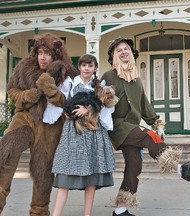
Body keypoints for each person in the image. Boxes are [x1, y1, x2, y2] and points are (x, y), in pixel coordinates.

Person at [0, 33, 75, 216]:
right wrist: (28, 95)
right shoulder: (24, 67)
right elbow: (12, 90)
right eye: (40, 52)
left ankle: (39, 211)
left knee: (43, 169)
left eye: (47, 53)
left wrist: (49, 88)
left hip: (50, 126)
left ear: (56, 54)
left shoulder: (67, 72)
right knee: (7, 150)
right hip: (25, 117)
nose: (43, 57)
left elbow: (68, 102)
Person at [101, 37, 190, 216]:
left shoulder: (136, 80)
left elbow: (144, 104)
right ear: (114, 55)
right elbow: (99, 100)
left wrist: (155, 122)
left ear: (131, 53)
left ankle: (120, 209)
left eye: (126, 49)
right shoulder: (109, 76)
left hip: (131, 127)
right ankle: (180, 169)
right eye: (119, 50)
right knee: (148, 136)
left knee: (134, 166)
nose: (123, 52)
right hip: (117, 127)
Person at [51, 54, 116, 216]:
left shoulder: (99, 86)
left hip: (93, 133)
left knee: (91, 176)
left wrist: (88, 109)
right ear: (79, 67)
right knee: (65, 175)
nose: (87, 68)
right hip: (73, 132)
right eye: (84, 65)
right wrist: (68, 113)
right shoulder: (70, 83)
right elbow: (60, 102)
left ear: (94, 68)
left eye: (90, 65)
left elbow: (107, 106)